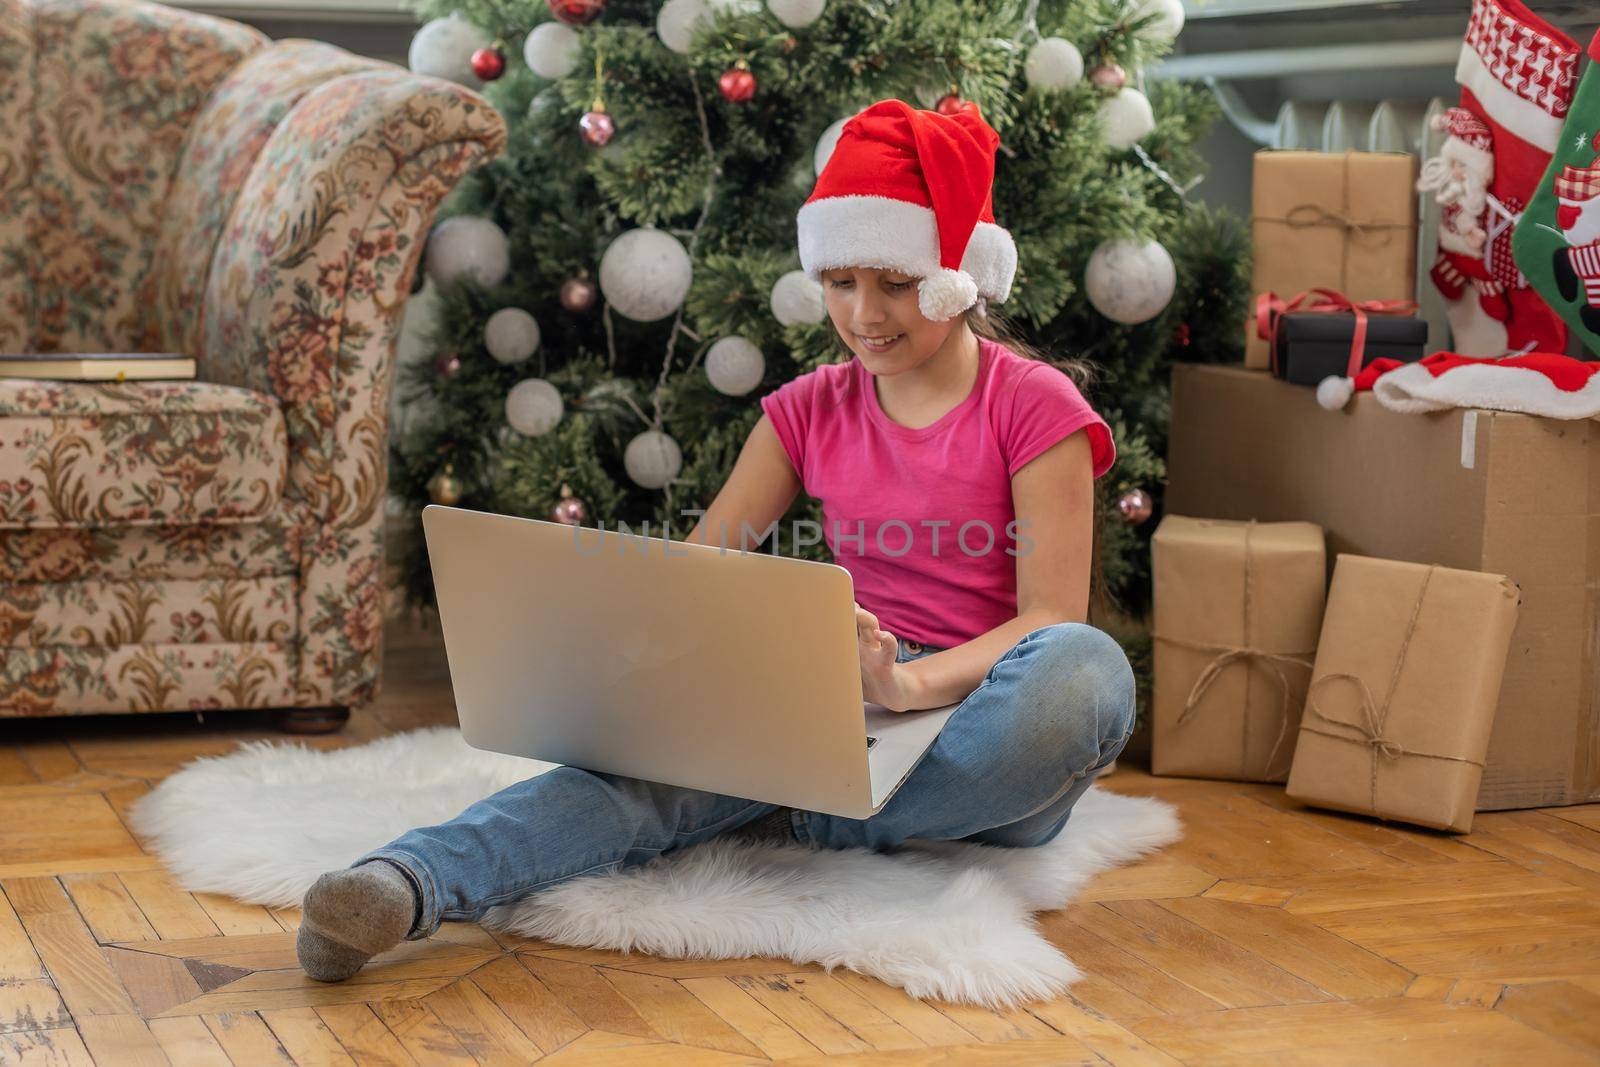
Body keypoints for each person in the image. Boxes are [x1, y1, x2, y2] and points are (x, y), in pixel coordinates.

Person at [295, 98, 1135, 982]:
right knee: (650, 772)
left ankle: (788, 806)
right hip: (836, 703)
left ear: (953, 277)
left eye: (893, 283)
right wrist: (641, 661)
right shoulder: (808, 407)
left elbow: (1047, 616)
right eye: (841, 283)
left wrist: (907, 680)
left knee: (1085, 672)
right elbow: (703, 573)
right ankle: (404, 880)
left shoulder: (1036, 407)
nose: (863, 313)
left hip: (978, 720)